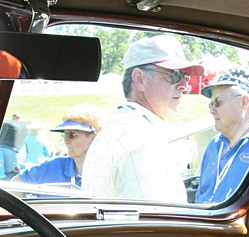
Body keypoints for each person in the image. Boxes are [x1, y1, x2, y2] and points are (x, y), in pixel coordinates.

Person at [81, 34, 203, 201]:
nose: (184, 86)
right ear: (139, 79)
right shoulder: (139, 137)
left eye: (186, 77)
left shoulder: (123, 127)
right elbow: (153, 222)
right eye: (174, 75)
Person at [196, 68, 249, 204]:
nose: (211, 110)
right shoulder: (214, 145)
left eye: (217, 102)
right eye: (211, 104)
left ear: (243, 102)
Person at [14, 104, 107, 191]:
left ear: (94, 138)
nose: (66, 140)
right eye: (65, 135)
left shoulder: (108, 171)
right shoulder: (53, 167)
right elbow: (16, 182)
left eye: (72, 134)